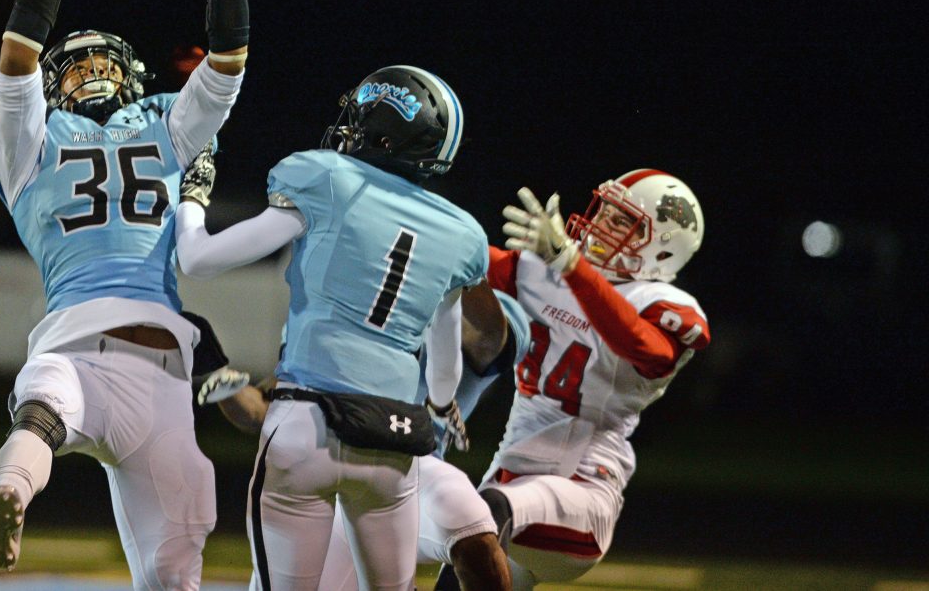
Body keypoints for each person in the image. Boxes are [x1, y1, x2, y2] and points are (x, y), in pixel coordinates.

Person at [0, 0, 252, 591]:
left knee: (165, 566)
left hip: (112, 356)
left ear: (132, 77)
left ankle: (9, 491)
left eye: (104, 63)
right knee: (44, 407)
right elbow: (20, 58)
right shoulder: (47, 137)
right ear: (56, 88)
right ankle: (8, 496)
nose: (92, 71)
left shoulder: (139, 127)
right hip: (137, 351)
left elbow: (225, 62)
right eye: (77, 65)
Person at [174, 65, 485, 590]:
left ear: (385, 136)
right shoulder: (462, 234)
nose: (348, 130)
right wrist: (440, 405)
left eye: (361, 122)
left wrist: (192, 198)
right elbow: (445, 363)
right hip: (393, 439)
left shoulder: (326, 180)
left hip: (306, 426)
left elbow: (198, 260)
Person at [207, 279, 527, 591]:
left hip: (412, 468)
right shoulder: (344, 307)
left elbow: (488, 337)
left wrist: (456, 269)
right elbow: (268, 409)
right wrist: (225, 384)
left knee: (473, 530)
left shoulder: (477, 307)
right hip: (326, 467)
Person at [483, 170, 709, 588]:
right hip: (507, 473)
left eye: (621, 221)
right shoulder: (541, 271)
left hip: (581, 493)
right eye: (605, 210)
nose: (601, 223)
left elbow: (644, 346)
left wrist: (571, 266)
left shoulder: (658, 302)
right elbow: (460, 260)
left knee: (477, 519)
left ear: (662, 250)